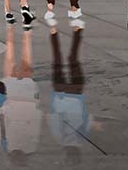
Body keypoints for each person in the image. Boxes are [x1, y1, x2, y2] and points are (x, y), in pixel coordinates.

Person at [0, 23, 41, 167]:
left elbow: (36, 122)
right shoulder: (5, 147)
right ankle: (11, 31)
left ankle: (25, 32)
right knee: (10, 64)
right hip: (14, 100)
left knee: (24, 65)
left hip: (28, 100)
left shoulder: (30, 147)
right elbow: (0, 122)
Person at [47, 23, 102, 162]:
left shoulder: (82, 137)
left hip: (76, 92)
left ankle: (77, 32)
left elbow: (87, 119)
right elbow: (51, 117)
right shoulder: (60, 138)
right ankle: (54, 33)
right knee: (58, 60)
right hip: (60, 92)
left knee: (73, 59)